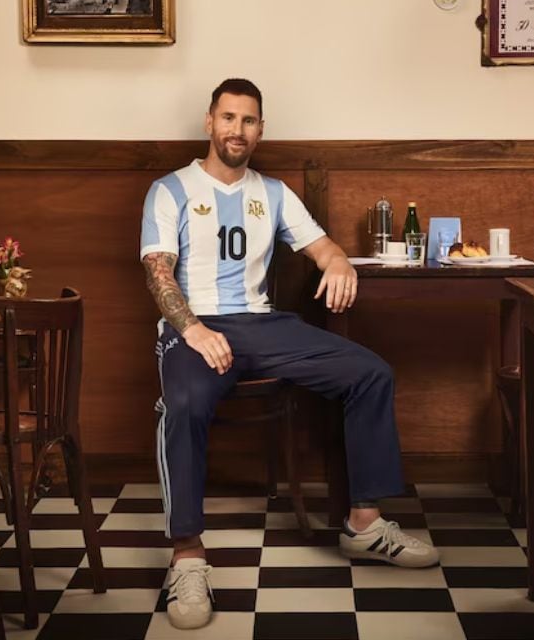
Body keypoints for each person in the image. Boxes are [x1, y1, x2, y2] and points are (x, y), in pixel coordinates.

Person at [139, 78, 438, 630]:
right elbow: (158, 273)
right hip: (196, 325)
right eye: (228, 118)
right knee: (182, 403)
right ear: (209, 123)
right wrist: (193, 329)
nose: (237, 130)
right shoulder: (170, 190)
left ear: (260, 130)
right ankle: (187, 555)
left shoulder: (271, 192)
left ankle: (365, 525)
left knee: (369, 372)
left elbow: (320, 245)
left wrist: (339, 263)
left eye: (248, 120)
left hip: (262, 324)